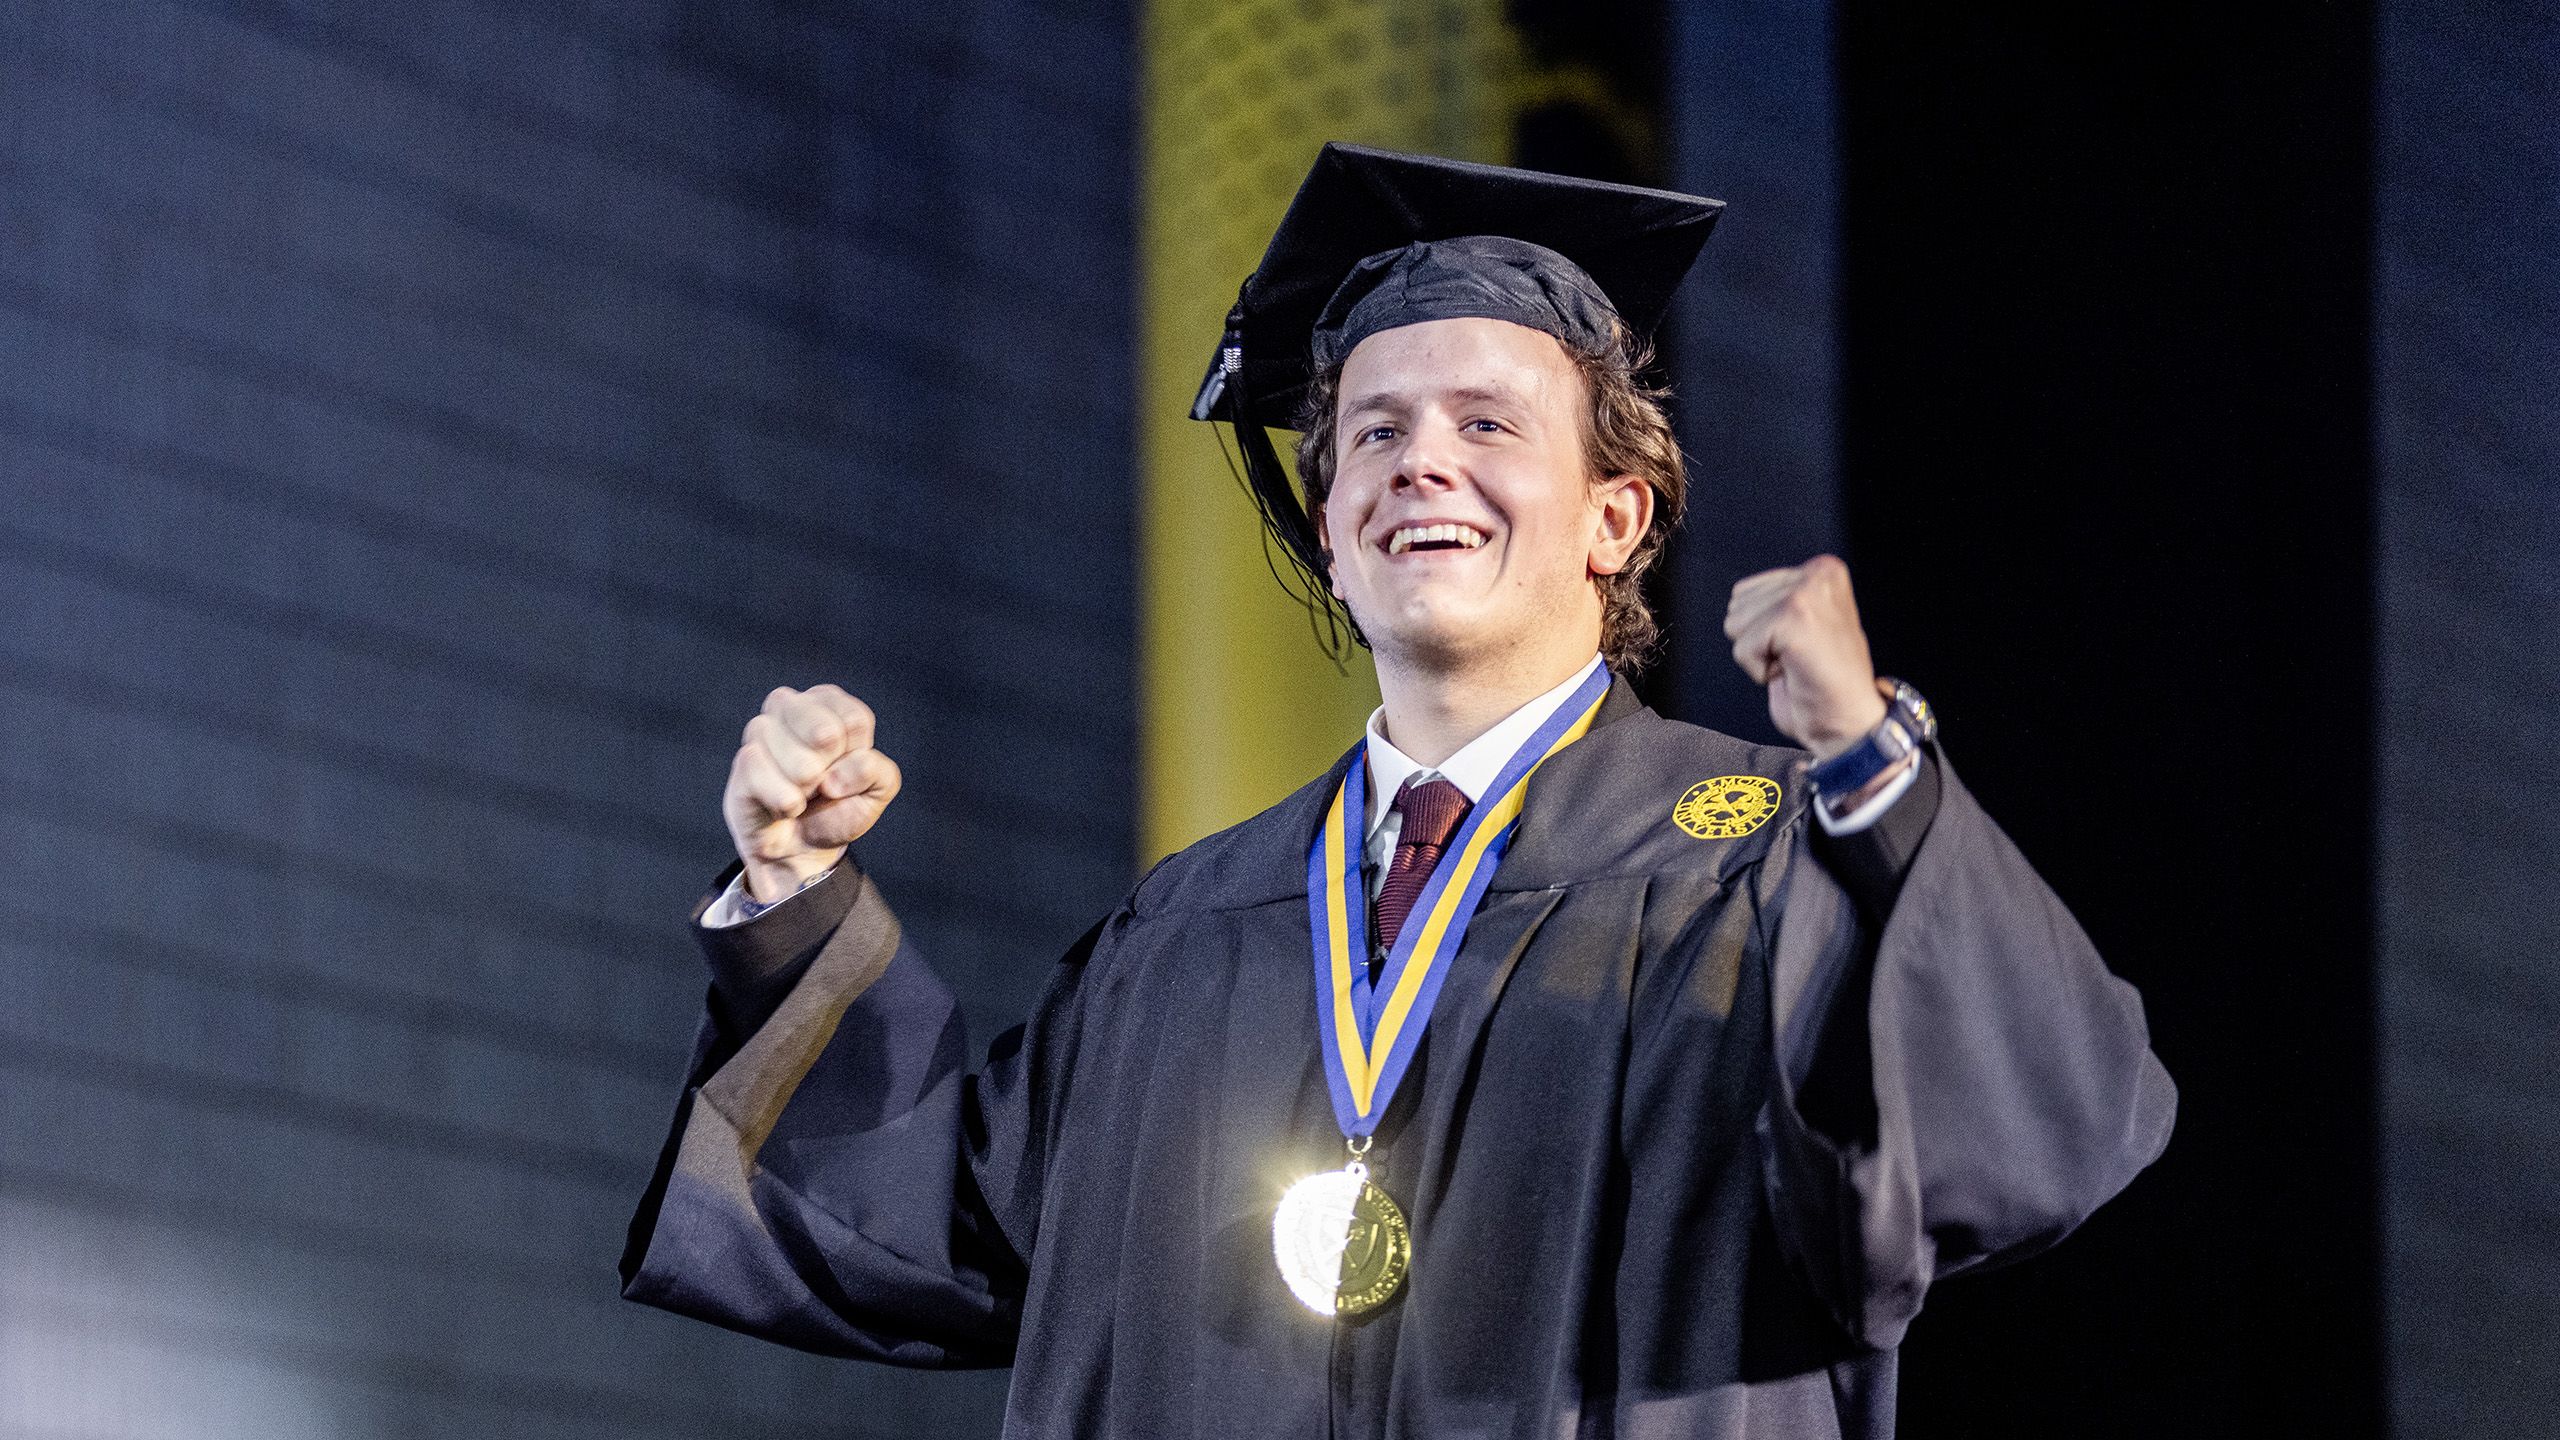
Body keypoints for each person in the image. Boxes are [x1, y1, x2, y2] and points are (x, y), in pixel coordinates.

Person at [619, 144, 2175, 1438]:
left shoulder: (1768, 857)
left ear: (1615, 518)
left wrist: (1874, 769)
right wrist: (791, 899)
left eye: (1489, 425)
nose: (1420, 463)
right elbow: (944, 1228)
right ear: (1333, 529)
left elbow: (2041, 1123)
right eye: (1373, 433)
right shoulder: (1194, 917)